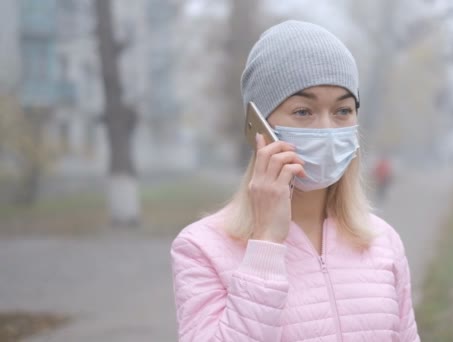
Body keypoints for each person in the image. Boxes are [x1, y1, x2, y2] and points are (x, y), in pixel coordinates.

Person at [171, 20, 420, 341]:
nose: (327, 129)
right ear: (258, 125)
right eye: (303, 111)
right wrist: (265, 244)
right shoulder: (201, 248)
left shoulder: (382, 241)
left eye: (343, 110)